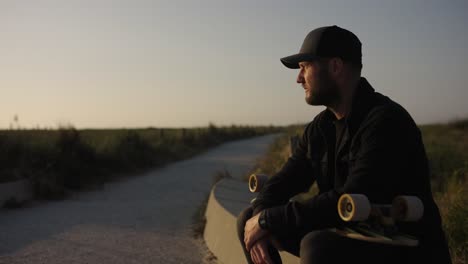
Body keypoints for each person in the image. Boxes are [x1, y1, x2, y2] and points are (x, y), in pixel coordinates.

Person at [237, 25, 451, 264]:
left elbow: (355, 193)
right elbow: (283, 182)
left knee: (317, 245)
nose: (298, 79)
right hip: (354, 236)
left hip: (406, 249)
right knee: (248, 220)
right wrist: (260, 216)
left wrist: (268, 220)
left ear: (335, 67)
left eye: (304, 67)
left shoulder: (386, 121)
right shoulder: (319, 129)